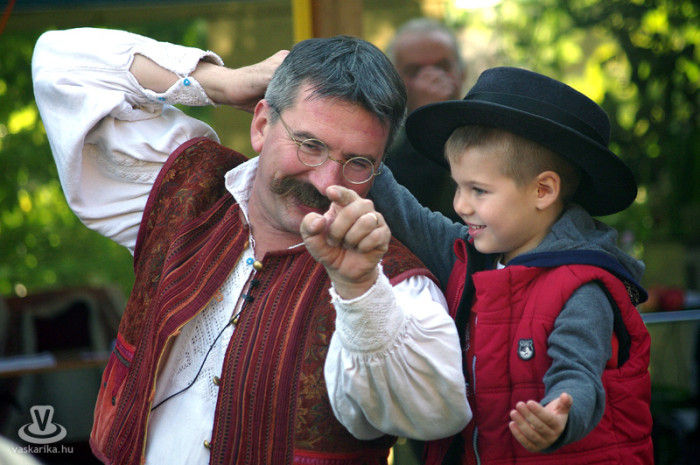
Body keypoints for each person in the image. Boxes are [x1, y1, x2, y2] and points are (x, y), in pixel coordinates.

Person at [31, 28, 471, 464]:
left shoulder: (389, 281)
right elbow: (61, 64)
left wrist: (360, 289)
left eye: (358, 163)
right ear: (261, 124)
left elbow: (435, 414)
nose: (325, 181)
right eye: (309, 145)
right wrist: (224, 83)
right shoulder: (184, 189)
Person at [370, 67, 653, 463]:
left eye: (479, 191)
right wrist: (356, 153)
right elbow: (405, 213)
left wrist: (560, 415)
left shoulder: (584, 286)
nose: (460, 204)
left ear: (543, 190)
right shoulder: (469, 254)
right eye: (458, 185)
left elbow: (578, 373)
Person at [384, 18, 465, 222]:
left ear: (462, 73)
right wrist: (424, 122)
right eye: (414, 71)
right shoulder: (380, 133)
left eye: (442, 67)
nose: (431, 79)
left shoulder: (487, 129)